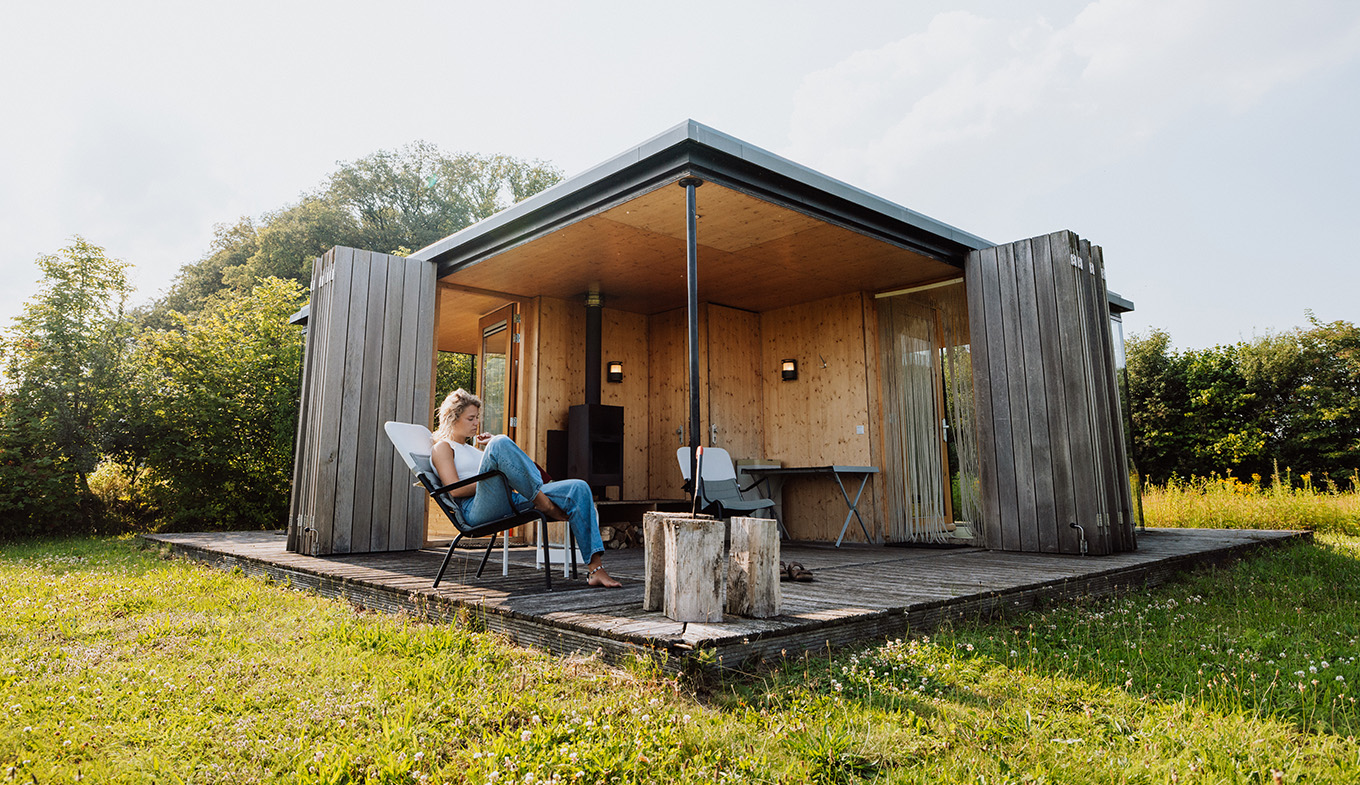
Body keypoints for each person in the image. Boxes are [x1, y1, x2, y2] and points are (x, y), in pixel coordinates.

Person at [430, 389, 621, 588]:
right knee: (500, 442)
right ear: (453, 418)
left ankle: (596, 570)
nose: (476, 423)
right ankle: (542, 500)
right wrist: (498, 465)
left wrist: (498, 456)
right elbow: (454, 491)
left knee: (578, 488)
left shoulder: (474, 449)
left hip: (507, 499)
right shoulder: (443, 447)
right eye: (471, 418)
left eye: (477, 418)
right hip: (475, 510)